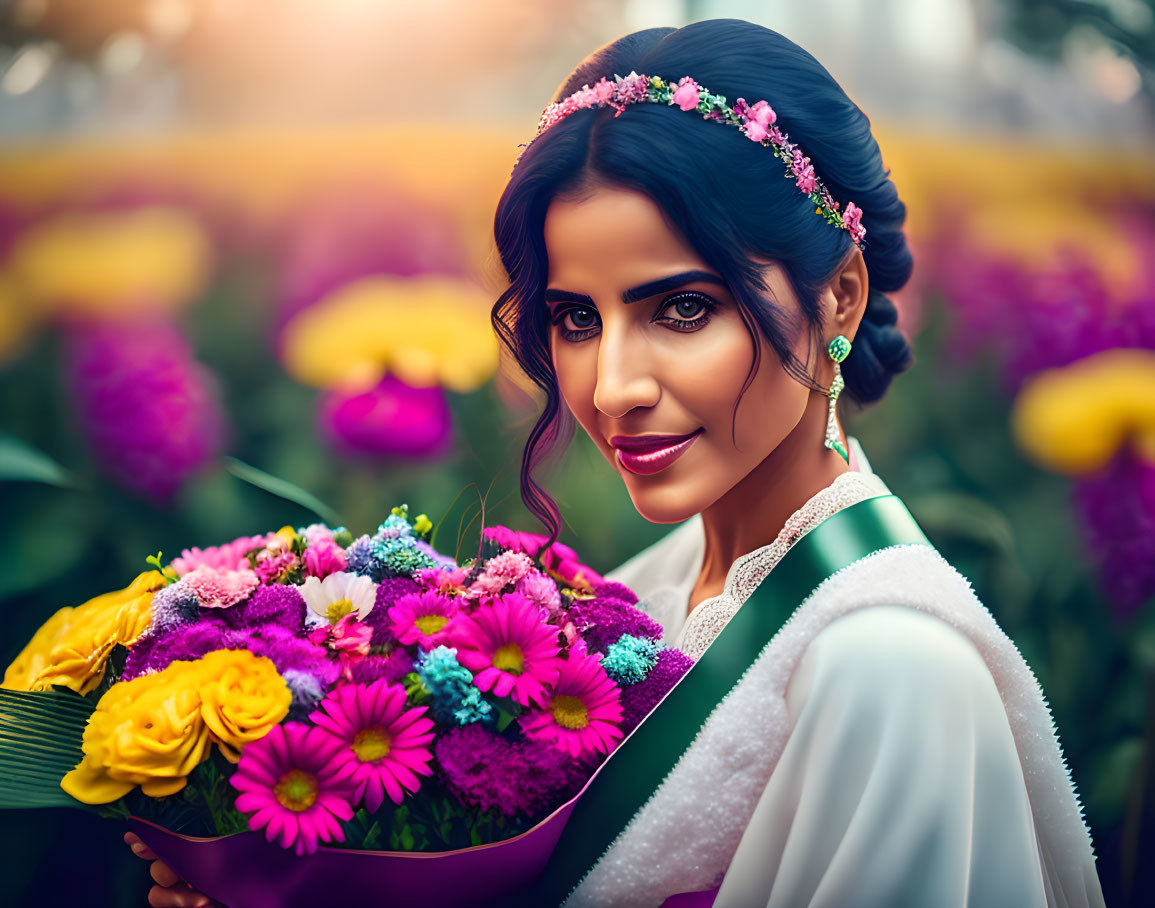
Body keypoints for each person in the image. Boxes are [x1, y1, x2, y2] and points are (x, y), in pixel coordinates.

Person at [132, 19, 1106, 907]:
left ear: (841, 296)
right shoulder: (658, 580)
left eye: (683, 309)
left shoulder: (893, 670)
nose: (611, 386)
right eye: (575, 318)